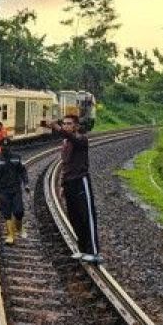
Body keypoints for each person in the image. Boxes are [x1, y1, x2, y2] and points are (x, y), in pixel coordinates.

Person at [40, 113, 100, 263]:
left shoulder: (81, 139)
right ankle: (82, 249)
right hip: (69, 183)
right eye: (64, 123)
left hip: (81, 181)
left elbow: (73, 138)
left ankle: (93, 252)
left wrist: (57, 127)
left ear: (76, 126)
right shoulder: (66, 142)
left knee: (86, 216)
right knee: (75, 218)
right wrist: (62, 184)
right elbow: (65, 165)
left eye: (69, 124)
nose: (66, 126)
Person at [0, 138, 29, 245]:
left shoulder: (17, 158)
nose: (5, 149)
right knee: (7, 213)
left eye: (7, 147)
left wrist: (26, 184)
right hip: (3, 190)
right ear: (0, 147)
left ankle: (19, 228)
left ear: (10, 147)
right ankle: (10, 235)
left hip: (16, 189)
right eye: (3, 147)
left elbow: (23, 171)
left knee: (19, 211)